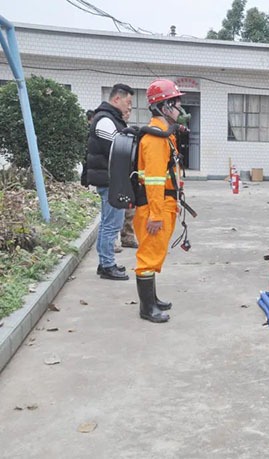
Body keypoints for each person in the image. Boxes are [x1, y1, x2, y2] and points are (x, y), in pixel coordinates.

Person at [133, 79, 186, 323]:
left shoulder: (164, 134)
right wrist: (155, 214)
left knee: (155, 254)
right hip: (154, 207)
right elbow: (153, 180)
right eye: (176, 103)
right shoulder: (154, 138)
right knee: (148, 257)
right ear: (164, 107)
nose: (180, 109)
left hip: (163, 203)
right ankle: (147, 309)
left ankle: (152, 299)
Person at [85, 83, 133, 280]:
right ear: (116, 99)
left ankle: (104, 263)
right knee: (113, 223)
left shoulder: (112, 119)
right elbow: (119, 148)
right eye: (128, 103)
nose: (130, 107)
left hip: (110, 178)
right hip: (109, 179)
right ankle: (107, 265)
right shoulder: (105, 120)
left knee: (109, 222)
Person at [119, 107, 139, 250]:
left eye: (129, 112)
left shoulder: (127, 132)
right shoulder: (121, 133)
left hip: (130, 177)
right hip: (122, 177)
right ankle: (122, 237)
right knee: (119, 211)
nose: (128, 114)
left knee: (130, 211)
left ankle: (127, 237)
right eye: (126, 111)